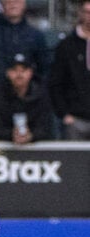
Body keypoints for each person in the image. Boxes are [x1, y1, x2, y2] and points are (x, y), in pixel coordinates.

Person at [0, 53, 54, 144]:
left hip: (37, 148)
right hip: (3, 147)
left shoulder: (41, 95)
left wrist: (31, 136)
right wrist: (11, 135)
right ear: (7, 73)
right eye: (14, 70)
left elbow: (46, 126)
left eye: (24, 70)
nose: (19, 74)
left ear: (31, 73)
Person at [48, 0, 90, 140]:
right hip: (75, 120)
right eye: (87, 12)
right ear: (80, 13)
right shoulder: (66, 45)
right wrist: (64, 114)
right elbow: (56, 82)